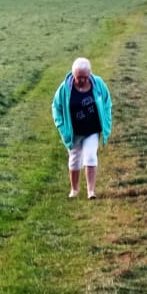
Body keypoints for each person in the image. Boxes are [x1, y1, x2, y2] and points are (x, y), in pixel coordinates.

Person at [51, 57, 112, 199]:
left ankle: (91, 191)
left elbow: (107, 103)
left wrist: (107, 122)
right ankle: (75, 190)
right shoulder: (65, 89)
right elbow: (56, 108)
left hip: (92, 129)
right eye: (79, 77)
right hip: (74, 132)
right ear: (73, 75)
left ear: (90, 74)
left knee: (90, 156)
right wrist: (62, 127)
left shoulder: (99, 84)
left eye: (85, 77)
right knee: (74, 159)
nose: (83, 80)